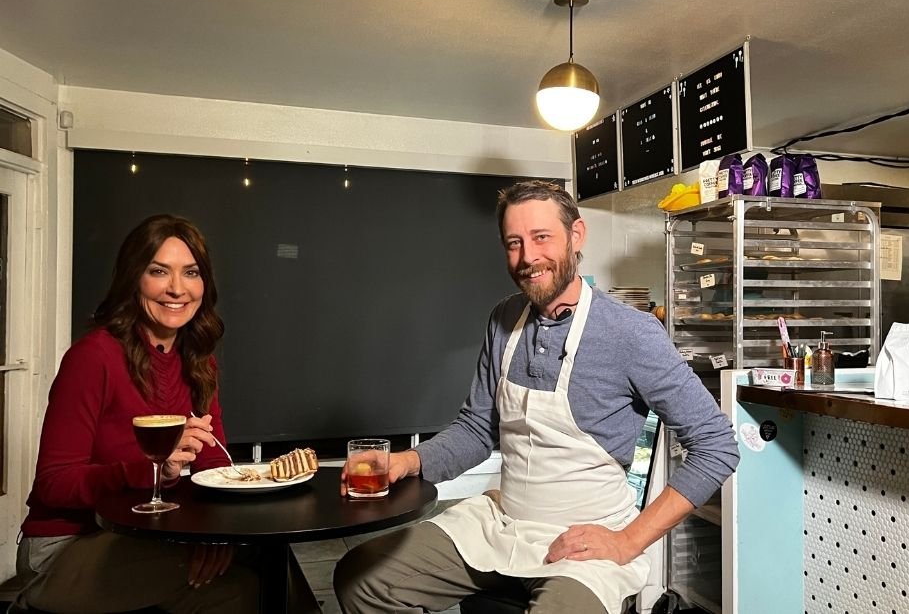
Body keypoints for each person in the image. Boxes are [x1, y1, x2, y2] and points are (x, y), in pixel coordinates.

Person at [333, 181, 741, 614]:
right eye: (514, 243)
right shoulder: (504, 319)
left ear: (576, 235)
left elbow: (716, 445)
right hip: (504, 524)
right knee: (363, 579)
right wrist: (408, 462)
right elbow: (477, 429)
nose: (528, 258)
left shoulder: (630, 333)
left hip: (587, 543)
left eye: (542, 237)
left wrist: (626, 541)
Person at [11, 214, 258, 613]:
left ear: (204, 284)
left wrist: (220, 526)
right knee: (247, 563)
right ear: (134, 278)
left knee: (255, 574)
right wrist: (151, 468)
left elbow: (213, 458)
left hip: (151, 534)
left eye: (191, 272)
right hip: (69, 546)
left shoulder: (198, 361)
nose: (177, 288)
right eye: (159, 271)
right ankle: (31, 603)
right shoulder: (94, 358)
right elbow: (54, 483)